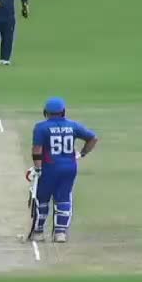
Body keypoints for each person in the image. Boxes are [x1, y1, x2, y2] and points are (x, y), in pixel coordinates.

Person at [27, 97, 98, 243]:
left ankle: (38, 232)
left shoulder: (41, 127)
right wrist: (82, 154)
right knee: (64, 198)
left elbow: (37, 150)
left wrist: (38, 168)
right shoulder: (73, 126)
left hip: (49, 168)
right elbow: (93, 138)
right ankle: (60, 233)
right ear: (63, 111)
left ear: (45, 112)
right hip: (69, 168)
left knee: (42, 199)